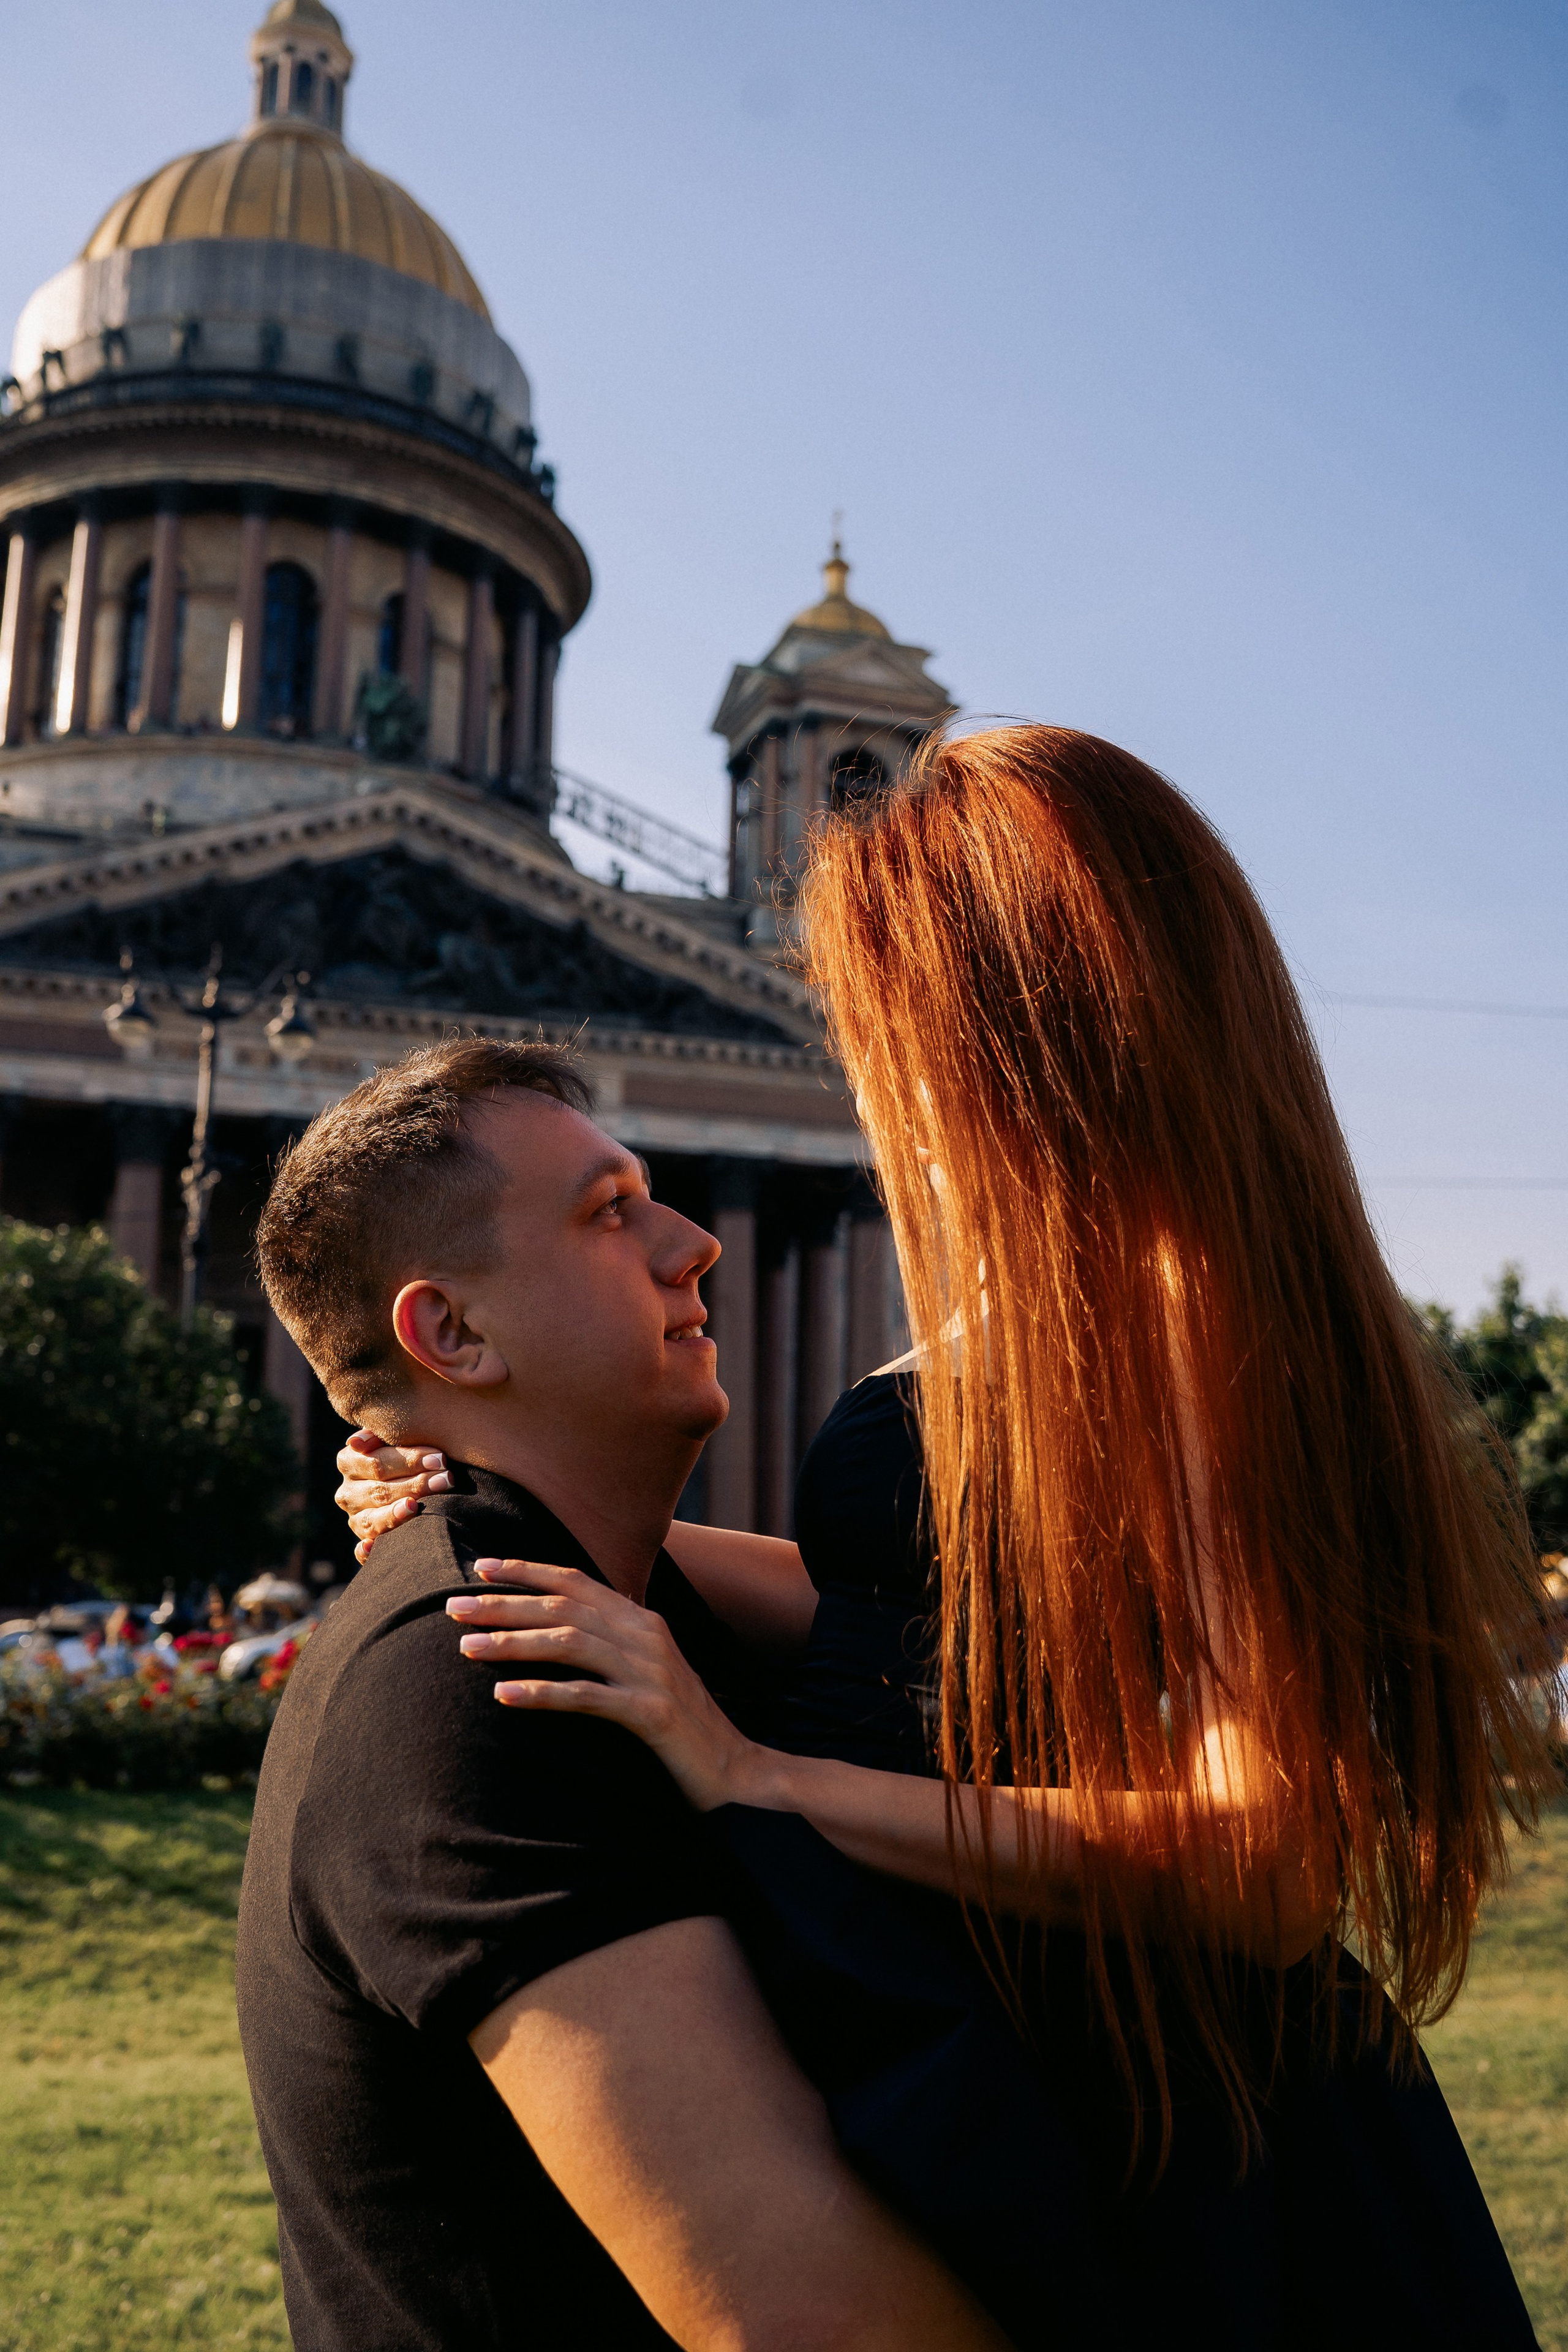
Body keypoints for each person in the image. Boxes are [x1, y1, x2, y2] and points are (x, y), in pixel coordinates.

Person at [341, 728, 1551, 2349]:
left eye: (884, 1015)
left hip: (1183, 2131)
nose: (867, 1067)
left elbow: (1263, 1857)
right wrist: (548, 1519)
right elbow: (913, 1605)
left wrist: (760, 1776)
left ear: (1012, 1026)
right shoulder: (1051, 1285)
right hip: (1036, 2050)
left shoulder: (1186, 1304)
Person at [240, 1035, 1009, 2352]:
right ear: (453, 1331)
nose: (698, 1241)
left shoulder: (628, 1620)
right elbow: (805, 2320)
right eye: (610, 1213)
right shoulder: (482, 1670)